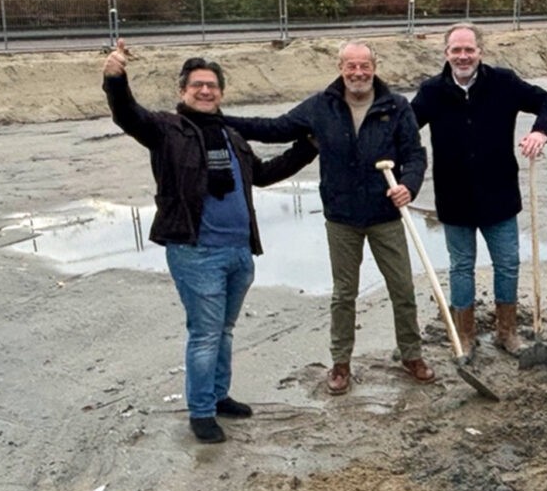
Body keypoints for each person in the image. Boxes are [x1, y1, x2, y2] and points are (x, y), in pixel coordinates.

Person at [101, 39, 317, 444]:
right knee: (204, 332)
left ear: (221, 92)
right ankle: (200, 411)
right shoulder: (167, 129)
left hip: (239, 250)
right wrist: (115, 79)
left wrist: (307, 149)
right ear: (182, 91)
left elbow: (263, 174)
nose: (206, 91)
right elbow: (127, 114)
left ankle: (218, 397)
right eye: (197, 85)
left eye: (212, 86)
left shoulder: (231, 134)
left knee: (225, 330)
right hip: (196, 250)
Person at [222, 41, 432, 395]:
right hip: (342, 217)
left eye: (364, 66)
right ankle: (340, 363)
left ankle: (411, 354)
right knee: (344, 294)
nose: (358, 73)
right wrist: (217, 120)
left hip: (385, 214)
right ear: (340, 68)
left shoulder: (395, 107)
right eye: (351, 66)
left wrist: (408, 186)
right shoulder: (322, 106)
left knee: (403, 289)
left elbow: (414, 155)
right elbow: (274, 128)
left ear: (375, 66)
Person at [411, 23, 547, 357]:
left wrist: (540, 132)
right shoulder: (432, 91)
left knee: (508, 263)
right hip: (453, 197)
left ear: (480, 51)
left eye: (469, 49)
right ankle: (465, 334)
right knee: (461, 266)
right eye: (456, 50)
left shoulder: (504, 82)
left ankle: (506, 331)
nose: (463, 56)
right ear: (446, 53)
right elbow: (405, 129)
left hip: (500, 195)